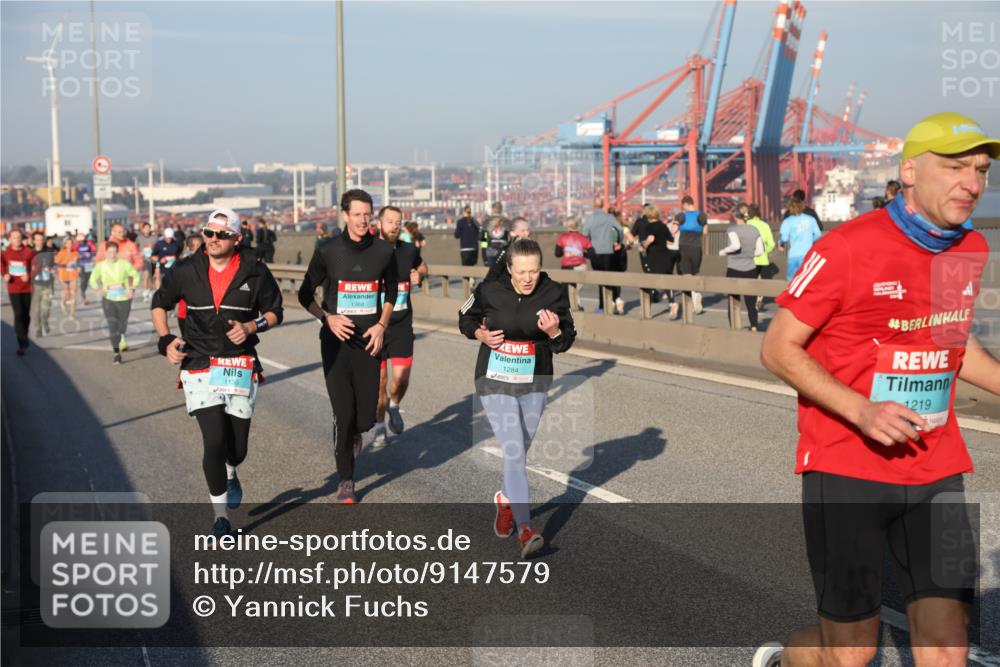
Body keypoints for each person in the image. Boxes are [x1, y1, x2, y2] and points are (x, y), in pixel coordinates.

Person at [754, 112, 1000, 667]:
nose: (973, 182)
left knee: (947, 647)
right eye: (955, 166)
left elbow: (954, 348)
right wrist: (861, 410)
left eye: (981, 169)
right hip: (847, 466)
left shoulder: (969, 250)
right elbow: (777, 348)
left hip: (935, 465)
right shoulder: (846, 248)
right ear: (909, 171)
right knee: (852, 653)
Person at [152, 208, 283, 537]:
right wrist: (166, 339)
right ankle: (220, 517)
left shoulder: (254, 271)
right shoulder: (186, 269)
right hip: (199, 362)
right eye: (208, 233)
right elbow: (159, 302)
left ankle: (231, 469)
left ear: (236, 238)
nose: (212, 239)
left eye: (221, 235)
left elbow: (275, 311)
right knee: (213, 439)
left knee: (236, 448)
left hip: (239, 363)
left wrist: (252, 325)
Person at [458, 238, 576, 559]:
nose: (527, 278)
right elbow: (464, 317)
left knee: (519, 450)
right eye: (521, 271)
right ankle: (526, 530)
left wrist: (553, 333)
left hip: (535, 380)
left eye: (534, 271)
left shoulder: (553, 292)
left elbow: (566, 339)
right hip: (494, 378)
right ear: (509, 268)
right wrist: (480, 334)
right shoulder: (490, 290)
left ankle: (505, 499)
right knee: (513, 450)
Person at [297, 189, 398, 505]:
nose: (363, 220)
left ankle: (355, 430)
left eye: (368, 214)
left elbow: (393, 291)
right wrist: (327, 318)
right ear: (344, 215)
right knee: (344, 413)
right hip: (336, 345)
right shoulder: (328, 250)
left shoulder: (384, 252)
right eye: (357, 214)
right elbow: (303, 294)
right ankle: (346, 482)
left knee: (365, 419)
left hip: (370, 343)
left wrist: (382, 325)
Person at [370, 206, 428, 449]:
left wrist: (420, 275)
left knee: (401, 378)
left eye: (398, 222)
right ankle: (379, 427)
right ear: (379, 223)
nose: (394, 225)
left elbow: (423, 266)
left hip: (402, 323)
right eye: (390, 221)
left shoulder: (408, 249)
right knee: (380, 380)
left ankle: (394, 406)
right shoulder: (369, 250)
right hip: (376, 326)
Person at [89, 242, 141, 364]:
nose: (112, 255)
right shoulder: (101, 266)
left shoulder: (124, 264)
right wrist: (98, 289)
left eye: (114, 252)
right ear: (105, 253)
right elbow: (92, 279)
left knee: (122, 326)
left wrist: (132, 289)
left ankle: (122, 334)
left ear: (117, 252)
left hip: (124, 299)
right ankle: (116, 353)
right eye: (109, 252)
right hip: (109, 299)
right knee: (113, 327)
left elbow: (136, 276)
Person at [718, 206, 764, 331]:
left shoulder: (732, 229)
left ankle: (734, 327)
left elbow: (736, 246)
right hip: (750, 268)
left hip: (734, 268)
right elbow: (760, 251)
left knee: (733, 299)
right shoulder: (755, 230)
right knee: (751, 300)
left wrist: (723, 251)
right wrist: (749, 255)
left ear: (735, 216)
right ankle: (754, 326)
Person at [582, 197, 624, 314]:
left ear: (593, 206)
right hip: (608, 251)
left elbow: (585, 234)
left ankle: (602, 306)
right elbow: (620, 230)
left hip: (595, 252)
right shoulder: (609, 217)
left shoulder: (590, 218)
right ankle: (615, 299)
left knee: (600, 279)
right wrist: (618, 242)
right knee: (609, 277)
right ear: (601, 206)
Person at [2, 229, 36, 355]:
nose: (17, 239)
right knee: (18, 313)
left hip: (27, 287)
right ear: (10, 239)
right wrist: (5, 274)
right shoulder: (5, 253)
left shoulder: (29, 252)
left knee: (26, 315)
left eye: (19, 237)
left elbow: (37, 265)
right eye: (14, 237)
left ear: (22, 238)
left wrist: (30, 275)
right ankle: (21, 342)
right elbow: (2, 265)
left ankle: (24, 335)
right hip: (13, 287)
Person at [673, 195, 708, 316]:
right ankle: (695, 297)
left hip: (684, 247)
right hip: (697, 248)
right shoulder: (702, 215)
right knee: (694, 273)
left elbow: (674, 230)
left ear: (686, 204)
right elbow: (705, 232)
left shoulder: (681, 216)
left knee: (686, 274)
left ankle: (694, 296)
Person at [744, 203, 777, 312]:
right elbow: (771, 244)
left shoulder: (746, 224)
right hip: (762, 258)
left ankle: (752, 301)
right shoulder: (764, 225)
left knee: (751, 279)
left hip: (749, 258)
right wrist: (764, 252)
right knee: (760, 279)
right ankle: (760, 298)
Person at [779, 198, 822, 280]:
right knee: (807, 280)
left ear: (790, 207)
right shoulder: (811, 219)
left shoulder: (787, 221)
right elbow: (818, 234)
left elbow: (784, 238)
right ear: (802, 207)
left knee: (791, 280)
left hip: (793, 255)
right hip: (808, 254)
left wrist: (781, 245)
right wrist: (809, 240)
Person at [486, 217, 530, 283]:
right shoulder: (506, 251)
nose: (527, 233)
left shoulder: (532, 249)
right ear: (512, 233)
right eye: (523, 231)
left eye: (528, 230)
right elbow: (492, 274)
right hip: (506, 288)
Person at [29, 231, 55, 338]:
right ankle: (38, 329)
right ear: (34, 241)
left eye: (41, 240)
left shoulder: (49, 251)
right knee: (36, 309)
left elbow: (53, 266)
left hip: (48, 283)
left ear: (44, 240)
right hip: (35, 285)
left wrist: (52, 270)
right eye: (37, 240)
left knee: (46, 308)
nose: (39, 242)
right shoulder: (29, 252)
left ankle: (44, 321)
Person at [54, 237, 79, 319]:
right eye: (67, 243)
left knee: (73, 294)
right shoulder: (61, 253)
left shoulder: (75, 253)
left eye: (71, 243)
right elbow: (56, 263)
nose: (69, 245)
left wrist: (78, 267)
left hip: (73, 276)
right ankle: (62, 303)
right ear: (64, 244)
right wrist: (65, 265)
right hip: (63, 275)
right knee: (66, 294)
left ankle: (72, 314)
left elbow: (78, 263)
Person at [135, 222, 158, 301]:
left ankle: (151, 291)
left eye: (148, 228)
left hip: (153, 259)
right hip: (144, 259)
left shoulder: (154, 238)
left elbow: (158, 247)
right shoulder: (139, 238)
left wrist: (153, 248)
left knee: (152, 277)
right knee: (146, 275)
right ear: (143, 229)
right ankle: (145, 292)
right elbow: (135, 247)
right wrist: (139, 253)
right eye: (145, 228)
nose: (147, 229)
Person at [74, 233, 97, 306]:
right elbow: (73, 254)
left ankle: (84, 295)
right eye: (79, 241)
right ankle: (83, 297)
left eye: (82, 241)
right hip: (80, 265)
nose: (80, 242)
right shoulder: (76, 245)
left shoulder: (89, 244)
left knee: (89, 280)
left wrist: (90, 254)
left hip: (89, 265)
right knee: (83, 280)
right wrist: (80, 256)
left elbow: (94, 252)